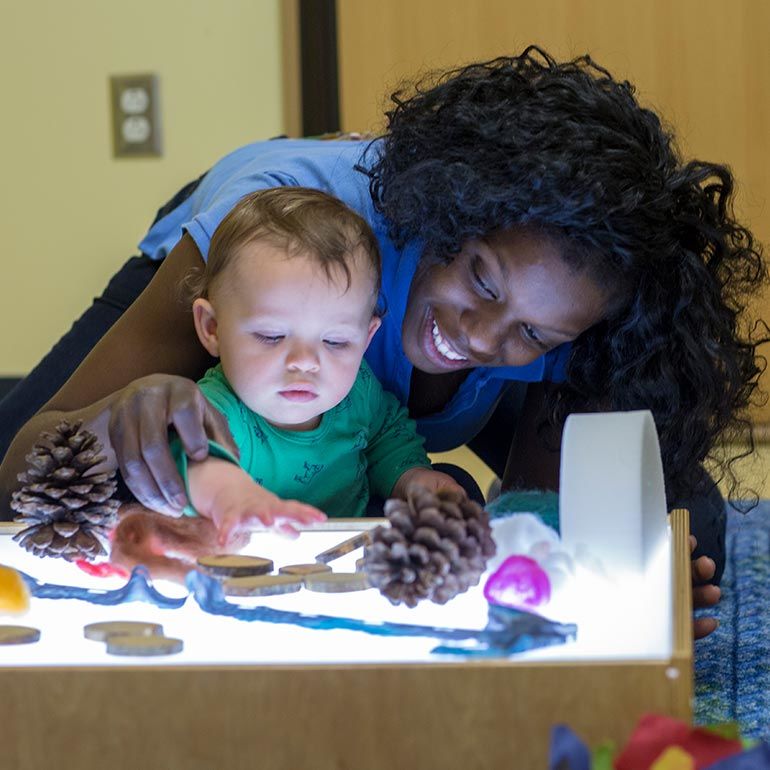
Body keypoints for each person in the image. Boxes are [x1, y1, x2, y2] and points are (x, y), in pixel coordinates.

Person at [1, 47, 764, 638]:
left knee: (690, 522)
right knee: (34, 458)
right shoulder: (265, 256)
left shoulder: (565, 307)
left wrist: (629, 591)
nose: (476, 335)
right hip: (247, 248)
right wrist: (116, 419)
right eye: (481, 279)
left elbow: (542, 524)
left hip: (411, 355)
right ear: (449, 213)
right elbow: (22, 473)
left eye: (534, 331)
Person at [170, 185, 462, 543]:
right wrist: (229, 495)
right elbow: (194, 457)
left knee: (455, 488)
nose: (305, 362)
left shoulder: (359, 393)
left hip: (350, 565)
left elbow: (386, 438)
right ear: (212, 328)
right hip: (248, 568)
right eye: (272, 336)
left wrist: (413, 480)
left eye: (335, 341)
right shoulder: (216, 409)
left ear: (366, 338)